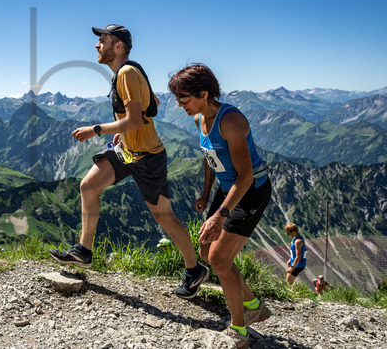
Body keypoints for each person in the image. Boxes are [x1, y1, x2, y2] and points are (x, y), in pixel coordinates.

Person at [49, 25, 209, 299]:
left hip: (148, 158)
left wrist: (96, 129)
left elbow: (135, 120)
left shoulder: (126, 73)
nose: (97, 45)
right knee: (88, 186)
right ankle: (84, 252)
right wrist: (122, 134)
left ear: (118, 46)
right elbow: (152, 104)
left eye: (103, 40)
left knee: (164, 216)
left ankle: (195, 270)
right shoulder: (128, 72)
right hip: (128, 151)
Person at [168, 63, 272, 348]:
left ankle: (239, 329)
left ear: (204, 94)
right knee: (206, 249)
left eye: (184, 98)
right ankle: (253, 305)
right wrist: (206, 193)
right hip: (228, 188)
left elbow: (246, 176)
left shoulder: (230, 121)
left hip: (251, 191)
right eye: (177, 99)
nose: (180, 105)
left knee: (219, 259)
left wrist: (220, 215)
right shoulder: (199, 119)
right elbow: (210, 156)